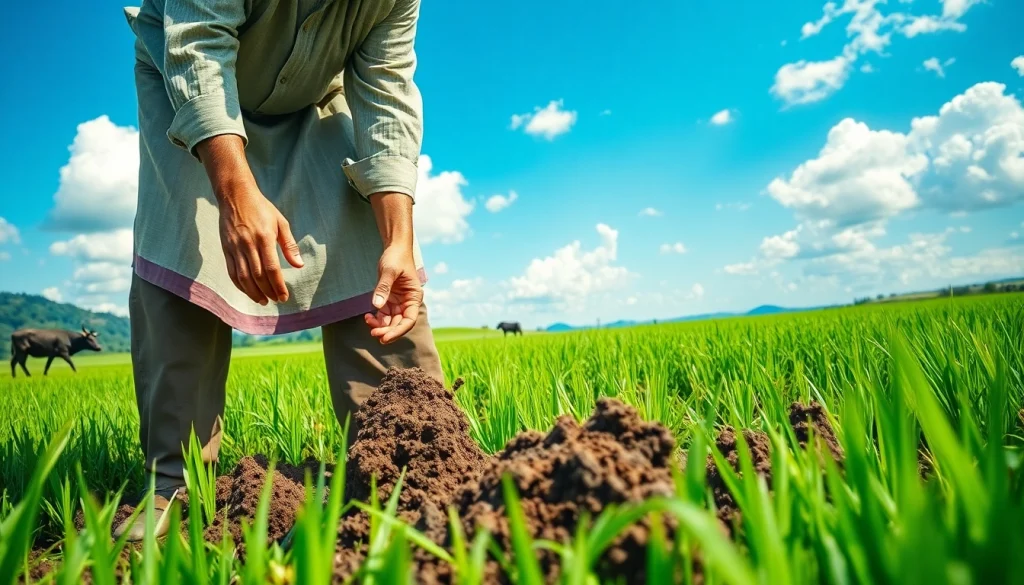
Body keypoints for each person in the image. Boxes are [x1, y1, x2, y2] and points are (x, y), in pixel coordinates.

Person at [115, 0, 442, 540]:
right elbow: (198, 43)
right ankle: (174, 482)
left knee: (372, 244)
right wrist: (236, 198)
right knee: (185, 242)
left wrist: (399, 241)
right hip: (189, 79)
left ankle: (416, 462)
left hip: (316, 94)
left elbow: (386, 95)